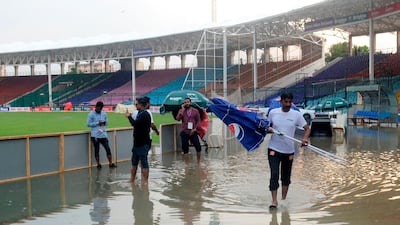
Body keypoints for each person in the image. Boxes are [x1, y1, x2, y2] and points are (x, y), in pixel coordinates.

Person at [266, 92, 310, 209]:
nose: (288, 104)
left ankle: (283, 199)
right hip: (274, 149)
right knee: (274, 174)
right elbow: (266, 127)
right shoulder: (273, 113)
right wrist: (268, 130)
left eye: (290, 102)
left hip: (289, 151)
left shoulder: (296, 115)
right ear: (281, 101)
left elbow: (307, 129)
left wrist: (305, 139)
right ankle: (274, 201)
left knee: (286, 177)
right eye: (286, 102)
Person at [125, 98, 152, 185]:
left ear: (141, 105)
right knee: (134, 162)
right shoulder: (140, 113)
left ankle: (145, 181)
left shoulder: (145, 114)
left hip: (143, 143)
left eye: (137, 104)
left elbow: (135, 124)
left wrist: (129, 116)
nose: (136, 105)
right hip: (137, 142)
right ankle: (132, 179)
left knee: (144, 163)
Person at [87, 101, 117, 169]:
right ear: (96, 107)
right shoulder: (91, 114)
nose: (99, 110)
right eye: (98, 108)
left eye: (101, 108)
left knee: (108, 149)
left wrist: (104, 122)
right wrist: (98, 123)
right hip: (95, 135)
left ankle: (110, 163)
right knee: (96, 150)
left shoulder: (104, 114)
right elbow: (88, 124)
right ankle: (98, 164)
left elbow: (107, 123)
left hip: (103, 134)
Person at [175, 97, 202, 163]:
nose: (186, 103)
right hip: (185, 131)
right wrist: (182, 110)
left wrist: (195, 129)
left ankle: (198, 162)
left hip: (193, 131)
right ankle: (187, 163)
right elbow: (178, 118)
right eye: (185, 102)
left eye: (187, 102)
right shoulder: (181, 111)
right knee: (185, 148)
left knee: (198, 146)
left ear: (190, 103)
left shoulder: (195, 111)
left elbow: (198, 121)